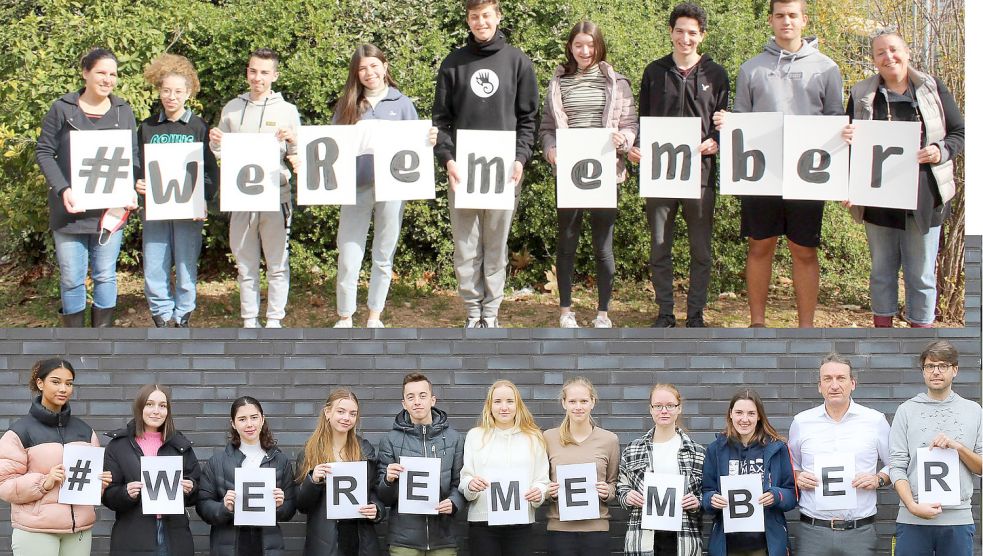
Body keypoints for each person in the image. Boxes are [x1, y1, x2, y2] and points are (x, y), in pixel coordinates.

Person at [713, 0, 844, 328]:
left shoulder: (827, 68)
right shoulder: (751, 68)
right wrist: (727, 121)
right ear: (771, 20)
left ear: (804, 20)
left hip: (808, 174)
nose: (786, 21)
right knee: (760, 246)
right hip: (762, 173)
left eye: (793, 15)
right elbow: (741, 117)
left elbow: (835, 119)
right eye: (780, 16)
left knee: (804, 251)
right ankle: (757, 322)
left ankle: (806, 327)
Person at [841, 30, 965, 328]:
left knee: (920, 275)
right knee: (881, 272)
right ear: (873, 60)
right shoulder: (861, 93)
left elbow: (960, 133)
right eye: (880, 53)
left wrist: (940, 150)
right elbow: (844, 147)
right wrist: (845, 145)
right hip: (877, 199)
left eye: (894, 50)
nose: (888, 57)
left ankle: (920, 339)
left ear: (907, 53)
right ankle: (883, 339)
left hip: (924, 199)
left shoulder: (932, 88)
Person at [432, 0, 539, 328]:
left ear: (498, 16)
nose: (481, 22)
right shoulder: (453, 64)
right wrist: (448, 160)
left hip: (504, 174)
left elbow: (529, 118)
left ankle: (490, 314)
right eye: (474, 16)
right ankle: (472, 310)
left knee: (495, 246)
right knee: (465, 248)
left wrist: (521, 158)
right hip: (462, 174)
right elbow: (441, 120)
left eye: (486, 15)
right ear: (468, 19)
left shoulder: (518, 62)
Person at [628, 2, 730, 328]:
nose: (685, 38)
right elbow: (641, 121)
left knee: (701, 250)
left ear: (702, 36)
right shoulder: (653, 72)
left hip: (700, 175)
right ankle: (665, 313)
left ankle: (696, 315)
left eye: (692, 33)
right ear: (671, 32)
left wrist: (717, 139)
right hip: (660, 175)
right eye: (680, 31)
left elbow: (724, 122)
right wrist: (637, 147)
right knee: (660, 247)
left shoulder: (717, 74)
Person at [539, 21, 637, 328]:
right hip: (569, 172)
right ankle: (566, 312)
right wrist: (550, 148)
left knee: (602, 244)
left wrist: (625, 140)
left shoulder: (617, 83)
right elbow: (546, 128)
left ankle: (603, 314)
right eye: (578, 45)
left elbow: (630, 123)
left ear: (599, 47)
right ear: (570, 46)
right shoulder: (559, 82)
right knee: (567, 242)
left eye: (590, 45)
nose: (585, 51)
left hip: (605, 171)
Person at [332, 45, 438, 329]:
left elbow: (416, 146)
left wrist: (429, 138)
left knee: (383, 254)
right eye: (362, 68)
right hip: (355, 188)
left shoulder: (402, 103)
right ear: (356, 73)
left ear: (385, 66)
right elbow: (332, 145)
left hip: (393, 189)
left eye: (374, 66)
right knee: (349, 254)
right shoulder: (347, 104)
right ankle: (345, 315)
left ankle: (374, 315)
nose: (369, 73)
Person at [35, 47, 139, 327]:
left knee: (105, 274)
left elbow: (133, 157)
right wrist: (63, 189)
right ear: (85, 73)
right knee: (71, 276)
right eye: (101, 73)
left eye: (113, 74)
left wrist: (130, 188)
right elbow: (44, 152)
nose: (108, 79)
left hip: (109, 213)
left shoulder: (123, 111)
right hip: (71, 211)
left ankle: (102, 342)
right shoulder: (62, 108)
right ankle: (75, 342)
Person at [209, 48, 300, 329]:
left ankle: (274, 320)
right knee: (245, 266)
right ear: (247, 72)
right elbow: (219, 152)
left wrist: (293, 140)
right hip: (241, 200)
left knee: (277, 264)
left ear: (274, 75)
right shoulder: (232, 108)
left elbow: (299, 154)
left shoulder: (287, 111)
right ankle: (250, 319)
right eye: (252, 71)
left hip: (276, 198)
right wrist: (215, 141)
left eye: (263, 72)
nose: (257, 77)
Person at [135, 53, 219, 328]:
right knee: (155, 261)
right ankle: (160, 312)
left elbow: (209, 170)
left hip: (188, 210)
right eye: (166, 90)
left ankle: (183, 313)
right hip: (155, 208)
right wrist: (138, 184)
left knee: (185, 263)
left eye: (178, 91)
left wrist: (204, 198)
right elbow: (137, 166)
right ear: (159, 91)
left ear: (189, 93)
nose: (171, 97)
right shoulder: (147, 127)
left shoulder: (198, 126)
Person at [0, 358, 111, 555]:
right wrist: (44, 482)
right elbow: (4, 484)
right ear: (40, 383)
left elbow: (90, 486)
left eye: (69, 383)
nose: (63, 389)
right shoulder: (19, 432)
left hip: (79, 531)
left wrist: (100, 482)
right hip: (36, 532)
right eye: (56, 381)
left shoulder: (85, 431)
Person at [787, 353, 891, 555]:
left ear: (852, 383)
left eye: (841, 378)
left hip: (859, 530)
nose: (834, 385)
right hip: (813, 531)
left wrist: (878, 479)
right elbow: (792, 466)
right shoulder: (801, 422)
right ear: (819, 386)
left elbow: (895, 464)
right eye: (828, 379)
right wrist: (798, 477)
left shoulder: (875, 421)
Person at [889, 340, 981, 555]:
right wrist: (912, 505)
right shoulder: (906, 411)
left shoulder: (974, 411)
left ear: (955, 370)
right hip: (912, 520)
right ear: (923, 372)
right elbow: (896, 466)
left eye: (943, 366)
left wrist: (958, 447)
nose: (936, 372)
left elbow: (981, 467)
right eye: (930, 366)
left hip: (958, 521)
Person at [102, 384, 202, 555]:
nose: (156, 411)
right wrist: (126, 493)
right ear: (140, 407)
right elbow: (108, 495)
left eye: (162, 406)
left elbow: (198, 489)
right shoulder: (119, 446)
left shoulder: (180, 445)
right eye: (150, 404)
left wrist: (190, 488)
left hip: (174, 533)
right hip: (133, 534)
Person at [376, 372, 465, 556]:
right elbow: (384, 497)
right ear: (404, 404)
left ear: (432, 400)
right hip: (404, 541)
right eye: (411, 397)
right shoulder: (390, 441)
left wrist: (454, 503)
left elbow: (460, 483)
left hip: (444, 537)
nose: (417, 401)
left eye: (422, 396)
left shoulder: (454, 439)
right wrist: (388, 480)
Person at [196, 396, 297, 555]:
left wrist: (280, 505)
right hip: (229, 546)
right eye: (242, 419)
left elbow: (291, 508)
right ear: (233, 424)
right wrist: (224, 507)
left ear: (262, 419)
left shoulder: (280, 461)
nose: (249, 424)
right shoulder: (216, 462)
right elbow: (202, 506)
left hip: (267, 546)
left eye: (254, 417)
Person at [701, 389, 796, 556]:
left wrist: (776, 495)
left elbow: (791, 496)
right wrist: (711, 499)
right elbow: (706, 493)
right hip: (728, 545)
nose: (744, 419)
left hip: (767, 544)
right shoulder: (715, 450)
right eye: (739, 412)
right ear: (730, 414)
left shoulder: (777, 448)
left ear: (759, 416)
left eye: (751, 413)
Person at [459, 380, 549, 556]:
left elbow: (542, 479)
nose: (504, 407)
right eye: (498, 401)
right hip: (483, 523)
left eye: (510, 401)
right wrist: (471, 485)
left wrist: (538, 492)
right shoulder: (475, 436)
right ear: (489, 405)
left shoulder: (534, 438)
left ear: (518, 405)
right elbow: (465, 479)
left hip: (520, 523)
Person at [617, 383, 705, 555]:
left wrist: (697, 502)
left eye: (670, 406)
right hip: (643, 540)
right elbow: (620, 488)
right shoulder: (633, 449)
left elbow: (707, 492)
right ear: (650, 409)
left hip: (683, 539)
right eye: (658, 406)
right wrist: (627, 496)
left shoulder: (697, 452)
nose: (664, 411)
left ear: (679, 408)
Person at [295, 388, 384, 555]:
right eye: (341, 411)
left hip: (360, 540)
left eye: (352, 413)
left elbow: (374, 492)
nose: (346, 418)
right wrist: (312, 480)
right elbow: (301, 504)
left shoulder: (364, 450)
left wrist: (376, 509)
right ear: (328, 412)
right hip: (325, 541)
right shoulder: (310, 451)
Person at [543, 377, 620, 554]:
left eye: (584, 401)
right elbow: (542, 481)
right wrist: (550, 491)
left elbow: (613, 482)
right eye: (572, 401)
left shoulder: (609, 440)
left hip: (597, 531)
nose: (578, 407)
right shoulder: (549, 438)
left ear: (593, 402)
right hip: (560, 531)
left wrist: (607, 491)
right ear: (564, 403)